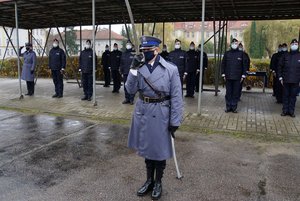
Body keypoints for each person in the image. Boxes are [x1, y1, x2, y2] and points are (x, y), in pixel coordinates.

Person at [126, 36, 183, 200]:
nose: (145, 54)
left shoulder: (170, 69)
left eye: (148, 51)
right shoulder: (139, 67)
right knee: (147, 149)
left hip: (161, 113)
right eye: (143, 51)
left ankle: (158, 182)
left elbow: (177, 97)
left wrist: (175, 121)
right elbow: (130, 90)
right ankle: (149, 180)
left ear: (156, 50)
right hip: (143, 111)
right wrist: (132, 69)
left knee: (159, 150)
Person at [221, 38, 247, 113]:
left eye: (236, 43)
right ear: (231, 44)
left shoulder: (241, 54)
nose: (235, 45)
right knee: (228, 92)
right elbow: (223, 64)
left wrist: (243, 75)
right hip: (228, 77)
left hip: (237, 77)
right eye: (233, 43)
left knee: (235, 93)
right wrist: (223, 74)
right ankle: (228, 107)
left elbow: (244, 66)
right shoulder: (227, 53)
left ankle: (234, 107)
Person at [278, 39, 300, 117]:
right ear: (290, 45)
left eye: (296, 43)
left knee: (293, 97)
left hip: (296, 80)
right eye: (293, 43)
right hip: (286, 80)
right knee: (285, 96)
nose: (294, 44)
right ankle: (285, 110)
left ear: (298, 45)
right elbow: (280, 66)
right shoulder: (285, 55)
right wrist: (280, 77)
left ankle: (291, 111)